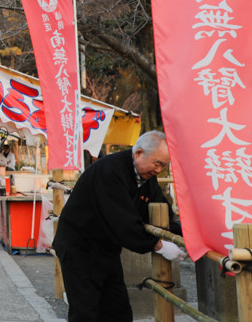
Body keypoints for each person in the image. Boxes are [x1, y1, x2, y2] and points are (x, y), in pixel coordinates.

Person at [52, 130, 185, 322]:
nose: (158, 170)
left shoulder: (146, 178)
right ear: (138, 153)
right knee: (86, 311)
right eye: (157, 164)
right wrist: (159, 245)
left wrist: (183, 236)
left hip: (107, 249)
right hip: (80, 246)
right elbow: (121, 220)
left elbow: (160, 209)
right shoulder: (109, 170)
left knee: (118, 311)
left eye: (163, 166)